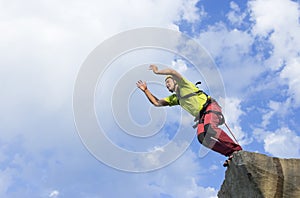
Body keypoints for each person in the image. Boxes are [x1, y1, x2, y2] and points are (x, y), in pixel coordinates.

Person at [136, 64, 242, 166]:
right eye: (166, 84)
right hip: (202, 116)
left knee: (210, 128)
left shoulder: (184, 85)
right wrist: (146, 90)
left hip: (210, 107)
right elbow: (157, 103)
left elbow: (172, 72)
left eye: (168, 82)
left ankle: (236, 150)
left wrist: (157, 71)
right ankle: (230, 152)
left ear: (175, 81)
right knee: (202, 138)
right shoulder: (175, 98)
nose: (166, 85)